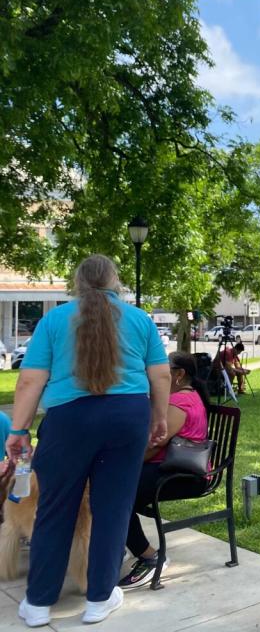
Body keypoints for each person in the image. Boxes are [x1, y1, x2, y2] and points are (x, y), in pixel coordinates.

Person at [6, 254, 169, 627]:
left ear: (77, 283)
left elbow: (30, 380)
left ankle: (37, 604)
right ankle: (99, 599)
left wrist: (18, 431)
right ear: (115, 282)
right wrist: (159, 418)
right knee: (112, 508)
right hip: (127, 418)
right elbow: (160, 375)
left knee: (54, 508)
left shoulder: (54, 320)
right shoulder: (140, 319)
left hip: (68, 421)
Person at [120, 351, 211, 588]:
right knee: (112, 486)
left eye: (164, 367)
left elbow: (154, 444)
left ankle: (151, 557)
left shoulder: (180, 401)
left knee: (114, 492)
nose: (156, 371)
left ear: (179, 374)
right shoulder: (184, 397)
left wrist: (123, 464)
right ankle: (118, 543)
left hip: (183, 475)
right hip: (169, 469)